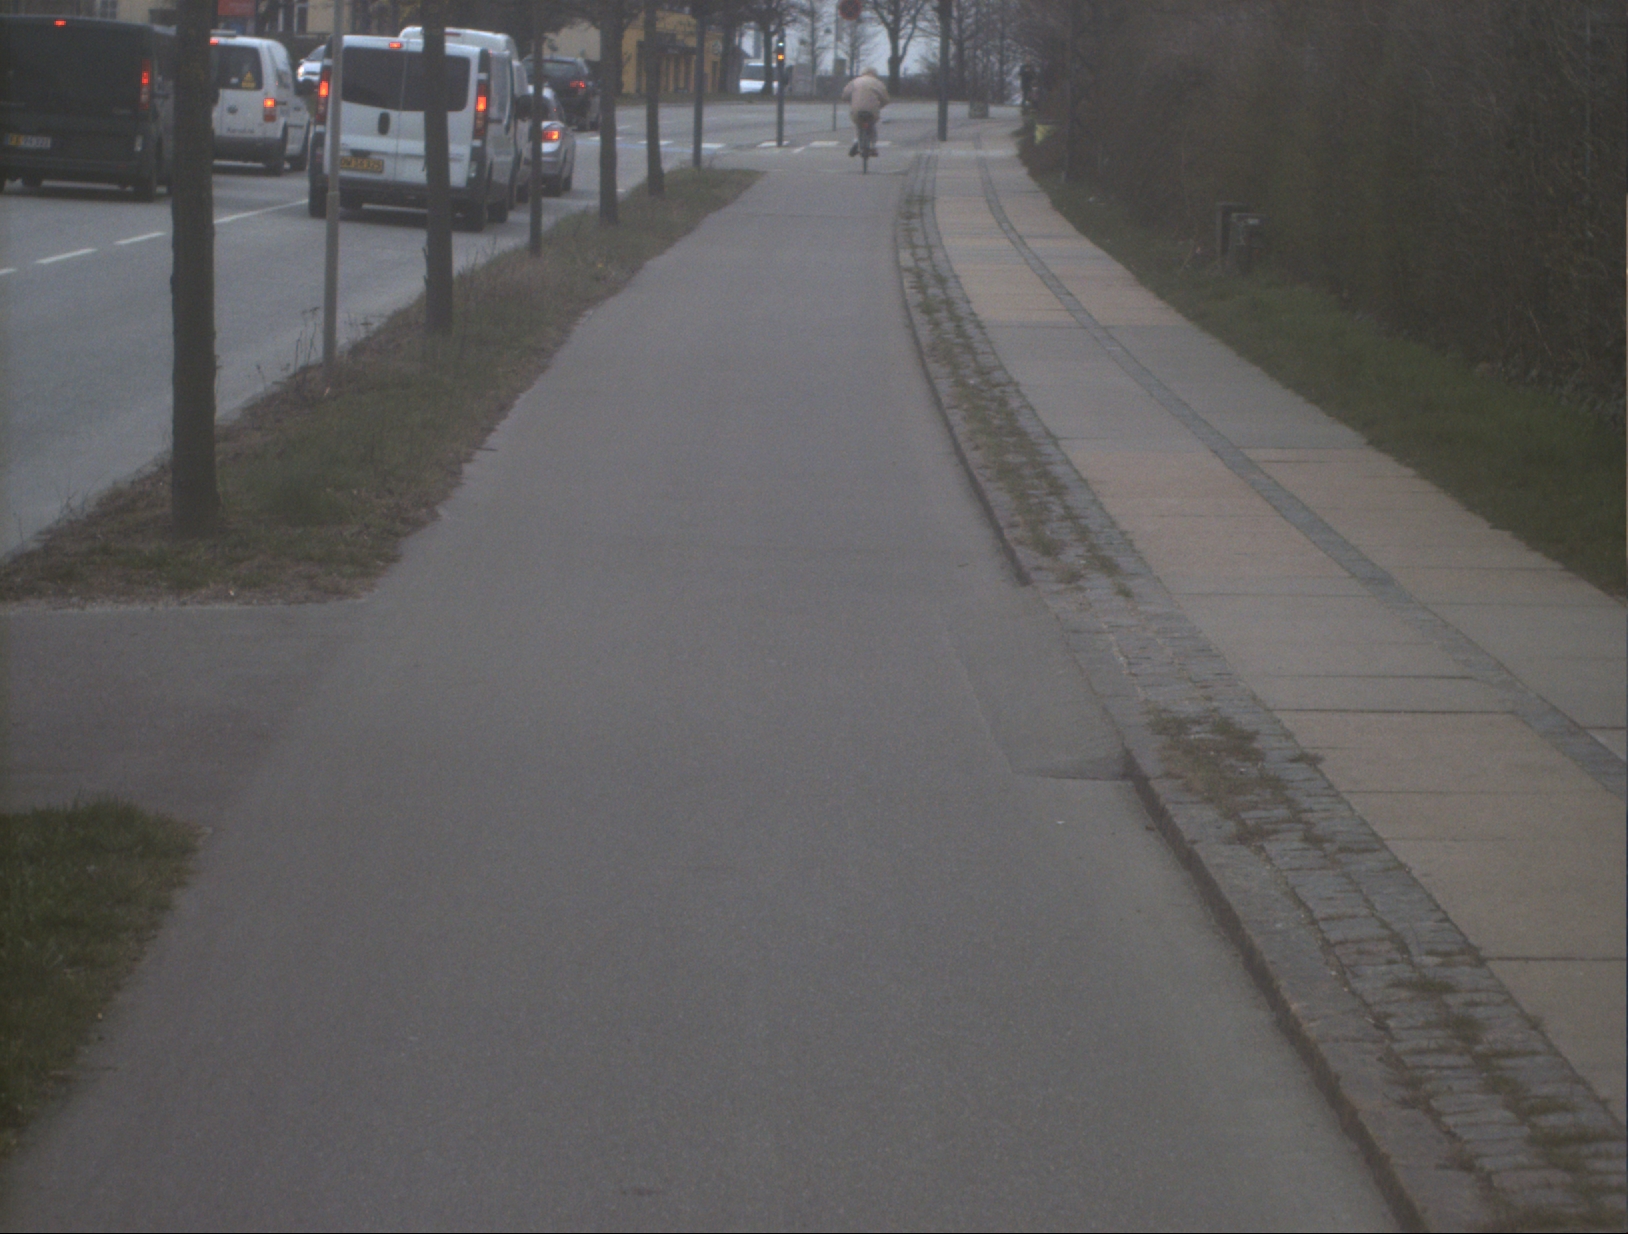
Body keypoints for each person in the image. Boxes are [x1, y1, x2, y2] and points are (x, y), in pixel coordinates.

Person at [841, 67, 889, 158]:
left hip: (857, 110)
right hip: (872, 111)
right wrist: (879, 106)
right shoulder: (878, 83)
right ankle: (873, 146)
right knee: (872, 125)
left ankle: (857, 142)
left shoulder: (855, 82)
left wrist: (852, 103)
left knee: (859, 125)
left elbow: (844, 96)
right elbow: (886, 99)